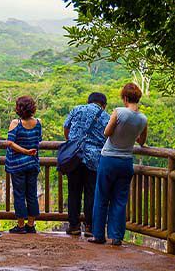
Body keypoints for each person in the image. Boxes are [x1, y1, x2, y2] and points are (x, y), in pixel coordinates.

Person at [89, 83, 148, 246]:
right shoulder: (143, 119)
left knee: (101, 197)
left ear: (126, 98)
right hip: (126, 161)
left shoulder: (119, 112)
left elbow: (107, 132)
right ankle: (116, 237)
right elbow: (142, 141)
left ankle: (99, 235)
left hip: (108, 159)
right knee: (120, 200)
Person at [62, 92, 110, 236]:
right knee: (91, 192)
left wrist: (72, 143)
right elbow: (108, 135)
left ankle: (74, 225)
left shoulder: (77, 109)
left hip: (75, 156)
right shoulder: (105, 116)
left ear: (88, 101)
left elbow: (66, 127)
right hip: (94, 158)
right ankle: (89, 226)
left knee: (74, 191)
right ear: (103, 104)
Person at [5, 96, 42, 234]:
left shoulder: (16, 123)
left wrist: (24, 151)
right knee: (31, 194)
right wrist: (29, 151)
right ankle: (31, 224)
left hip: (17, 165)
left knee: (19, 194)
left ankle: (21, 226)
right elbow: (38, 139)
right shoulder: (38, 122)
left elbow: (9, 142)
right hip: (32, 163)